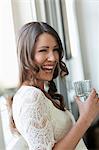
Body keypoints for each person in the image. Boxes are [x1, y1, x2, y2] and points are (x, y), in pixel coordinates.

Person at [7, 22, 99, 150]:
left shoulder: (39, 92)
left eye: (55, 50)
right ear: (26, 55)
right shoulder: (31, 97)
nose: (53, 57)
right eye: (43, 50)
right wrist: (85, 118)